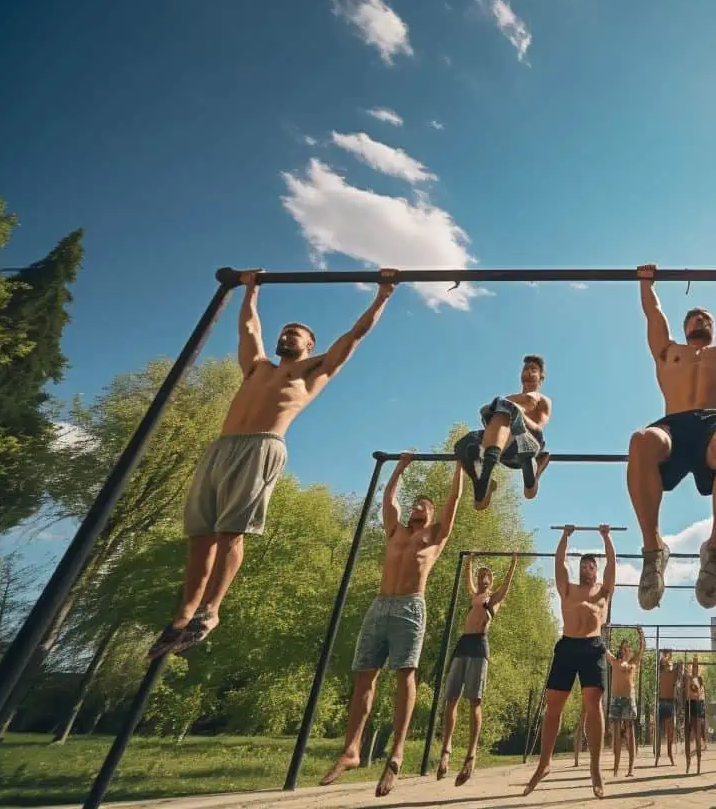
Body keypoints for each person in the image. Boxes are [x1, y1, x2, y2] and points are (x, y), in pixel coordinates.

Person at [149, 269, 397, 659]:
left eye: (295, 333)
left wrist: (383, 294)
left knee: (232, 530)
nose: (286, 336)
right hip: (221, 447)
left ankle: (211, 611)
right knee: (200, 534)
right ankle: (183, 616)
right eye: (284, 331)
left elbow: (355, 335)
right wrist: (251, 289)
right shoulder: (257, 367)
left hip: (262, 447)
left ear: (311, 344)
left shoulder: (315, 371)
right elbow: (248, 328)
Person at [319, 454, 463, 796]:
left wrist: (459, 465)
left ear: (431, 514)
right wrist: (400, 467)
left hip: (410, 608)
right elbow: (388, 499)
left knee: (405, 674)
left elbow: (453, 500)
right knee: (364, 676)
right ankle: (351, 750)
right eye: (416, 503)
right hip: (379, 606)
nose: (418, 507)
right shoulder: (395, 530)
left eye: (424, 505)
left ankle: (396, 753)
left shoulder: (436, 536)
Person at [628, 263, 716, 610]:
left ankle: (715, 551)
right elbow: (652, 313)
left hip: (714, 426)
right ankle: (653, 550)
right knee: (641, 441)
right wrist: (647, 283)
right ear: (685, 326)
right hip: (673, 426)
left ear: (714, 328)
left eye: (707, 318)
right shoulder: (669, 351)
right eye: (696, 318)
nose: (702, 321)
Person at [524, 525, 616, 798]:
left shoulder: (603, 592)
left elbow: (612, 562)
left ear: (596, 570)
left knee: (593, 703)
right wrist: (565, 536)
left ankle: (596, 768)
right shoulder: (568, 589)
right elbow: (559, 561)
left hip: (593, 647)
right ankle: (544, 763)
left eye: (591, 565)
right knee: (554, 705)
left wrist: (606, 537)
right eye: (584, 565)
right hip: (567, 646)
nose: (587, 568)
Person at [437, 551, 519, 785]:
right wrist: (470, 561)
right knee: (451, 698)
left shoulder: (493, 599)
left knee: (475, 701)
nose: (483, 579)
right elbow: (468, 580)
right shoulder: (474, 595)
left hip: (479, 647)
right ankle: (446, 749)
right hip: (463, 644)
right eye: (480, 575)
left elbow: (506, 585)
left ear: (491, 581)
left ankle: (471, 755)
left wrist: (513, 562)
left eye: (487, 576)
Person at [455, 355, 553, 511]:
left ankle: (531, 473)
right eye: (525, 369)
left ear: (541, 379)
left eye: (533, 370)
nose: (528, 372)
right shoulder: (510, 400)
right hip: (505, 450)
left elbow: (538, 428)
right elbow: (491, 415)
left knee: (529, 492)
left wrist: (520, 417)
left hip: (529, 441)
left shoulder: (543, 400)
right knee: (464, 444)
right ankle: (483, 482)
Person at [607, 629, 646, 778]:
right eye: (623, 647)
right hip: (616, 700)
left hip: (629, 699)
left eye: (627, 647)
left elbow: (642, 649)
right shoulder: (615, 662)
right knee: (617, 734)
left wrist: (640, 634)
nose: (625, 649)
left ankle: (631, 769)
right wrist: (601, 629)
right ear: (620, 650)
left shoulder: (633, 662)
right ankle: (616, 768)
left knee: (630, 733)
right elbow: (605, 649)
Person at [683, 659, 708, 774]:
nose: (694, 668)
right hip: (690, 706)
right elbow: (688, 694)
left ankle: (698, 765)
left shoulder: (700, 679)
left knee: (698, 737)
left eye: (696, 666)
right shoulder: (687, 678)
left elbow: (702, 695)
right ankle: (688, 764)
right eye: (692, 666)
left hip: (699, 707)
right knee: (688, 737)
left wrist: (697, 696)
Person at [654, 649, 677, 766]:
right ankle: (657, 756)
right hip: (661, 703)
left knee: (670, 733)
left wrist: (670, 656)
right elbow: (662, 661)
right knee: (658, 733)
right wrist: (665, 656)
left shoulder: (673, 673)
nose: (667, 661)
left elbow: (677, 665)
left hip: (669, 703)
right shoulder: (661, 673)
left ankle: (670, 754)